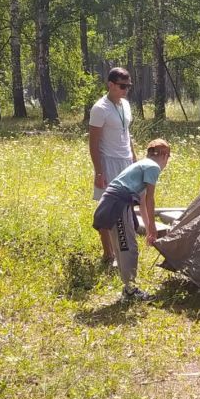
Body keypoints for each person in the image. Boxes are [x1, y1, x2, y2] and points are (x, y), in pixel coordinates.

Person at [92, 139, 171, 301]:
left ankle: (128, 286)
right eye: (168, 158)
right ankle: (130, 290)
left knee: (123, 246)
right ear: (164, 155)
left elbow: (141, 201)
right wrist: (153, 229)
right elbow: (150, 199)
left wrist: (150, 227)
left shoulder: (142, 164)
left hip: (114, 201)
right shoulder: (153, 167)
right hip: (117, 203)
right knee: (128, 247)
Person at [89, 67, 137, 264]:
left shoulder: (125, 104)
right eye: (122, 86)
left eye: (128, 86)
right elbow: (93, 143)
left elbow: (126, 133)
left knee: (126, 207)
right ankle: (108, 254)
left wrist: (135, 159)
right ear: (110, 85)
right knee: (107, 209)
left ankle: (122, 250)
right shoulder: (100, 109)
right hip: (108, 162)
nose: (125, 90)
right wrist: (99, 171)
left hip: (126, 162)